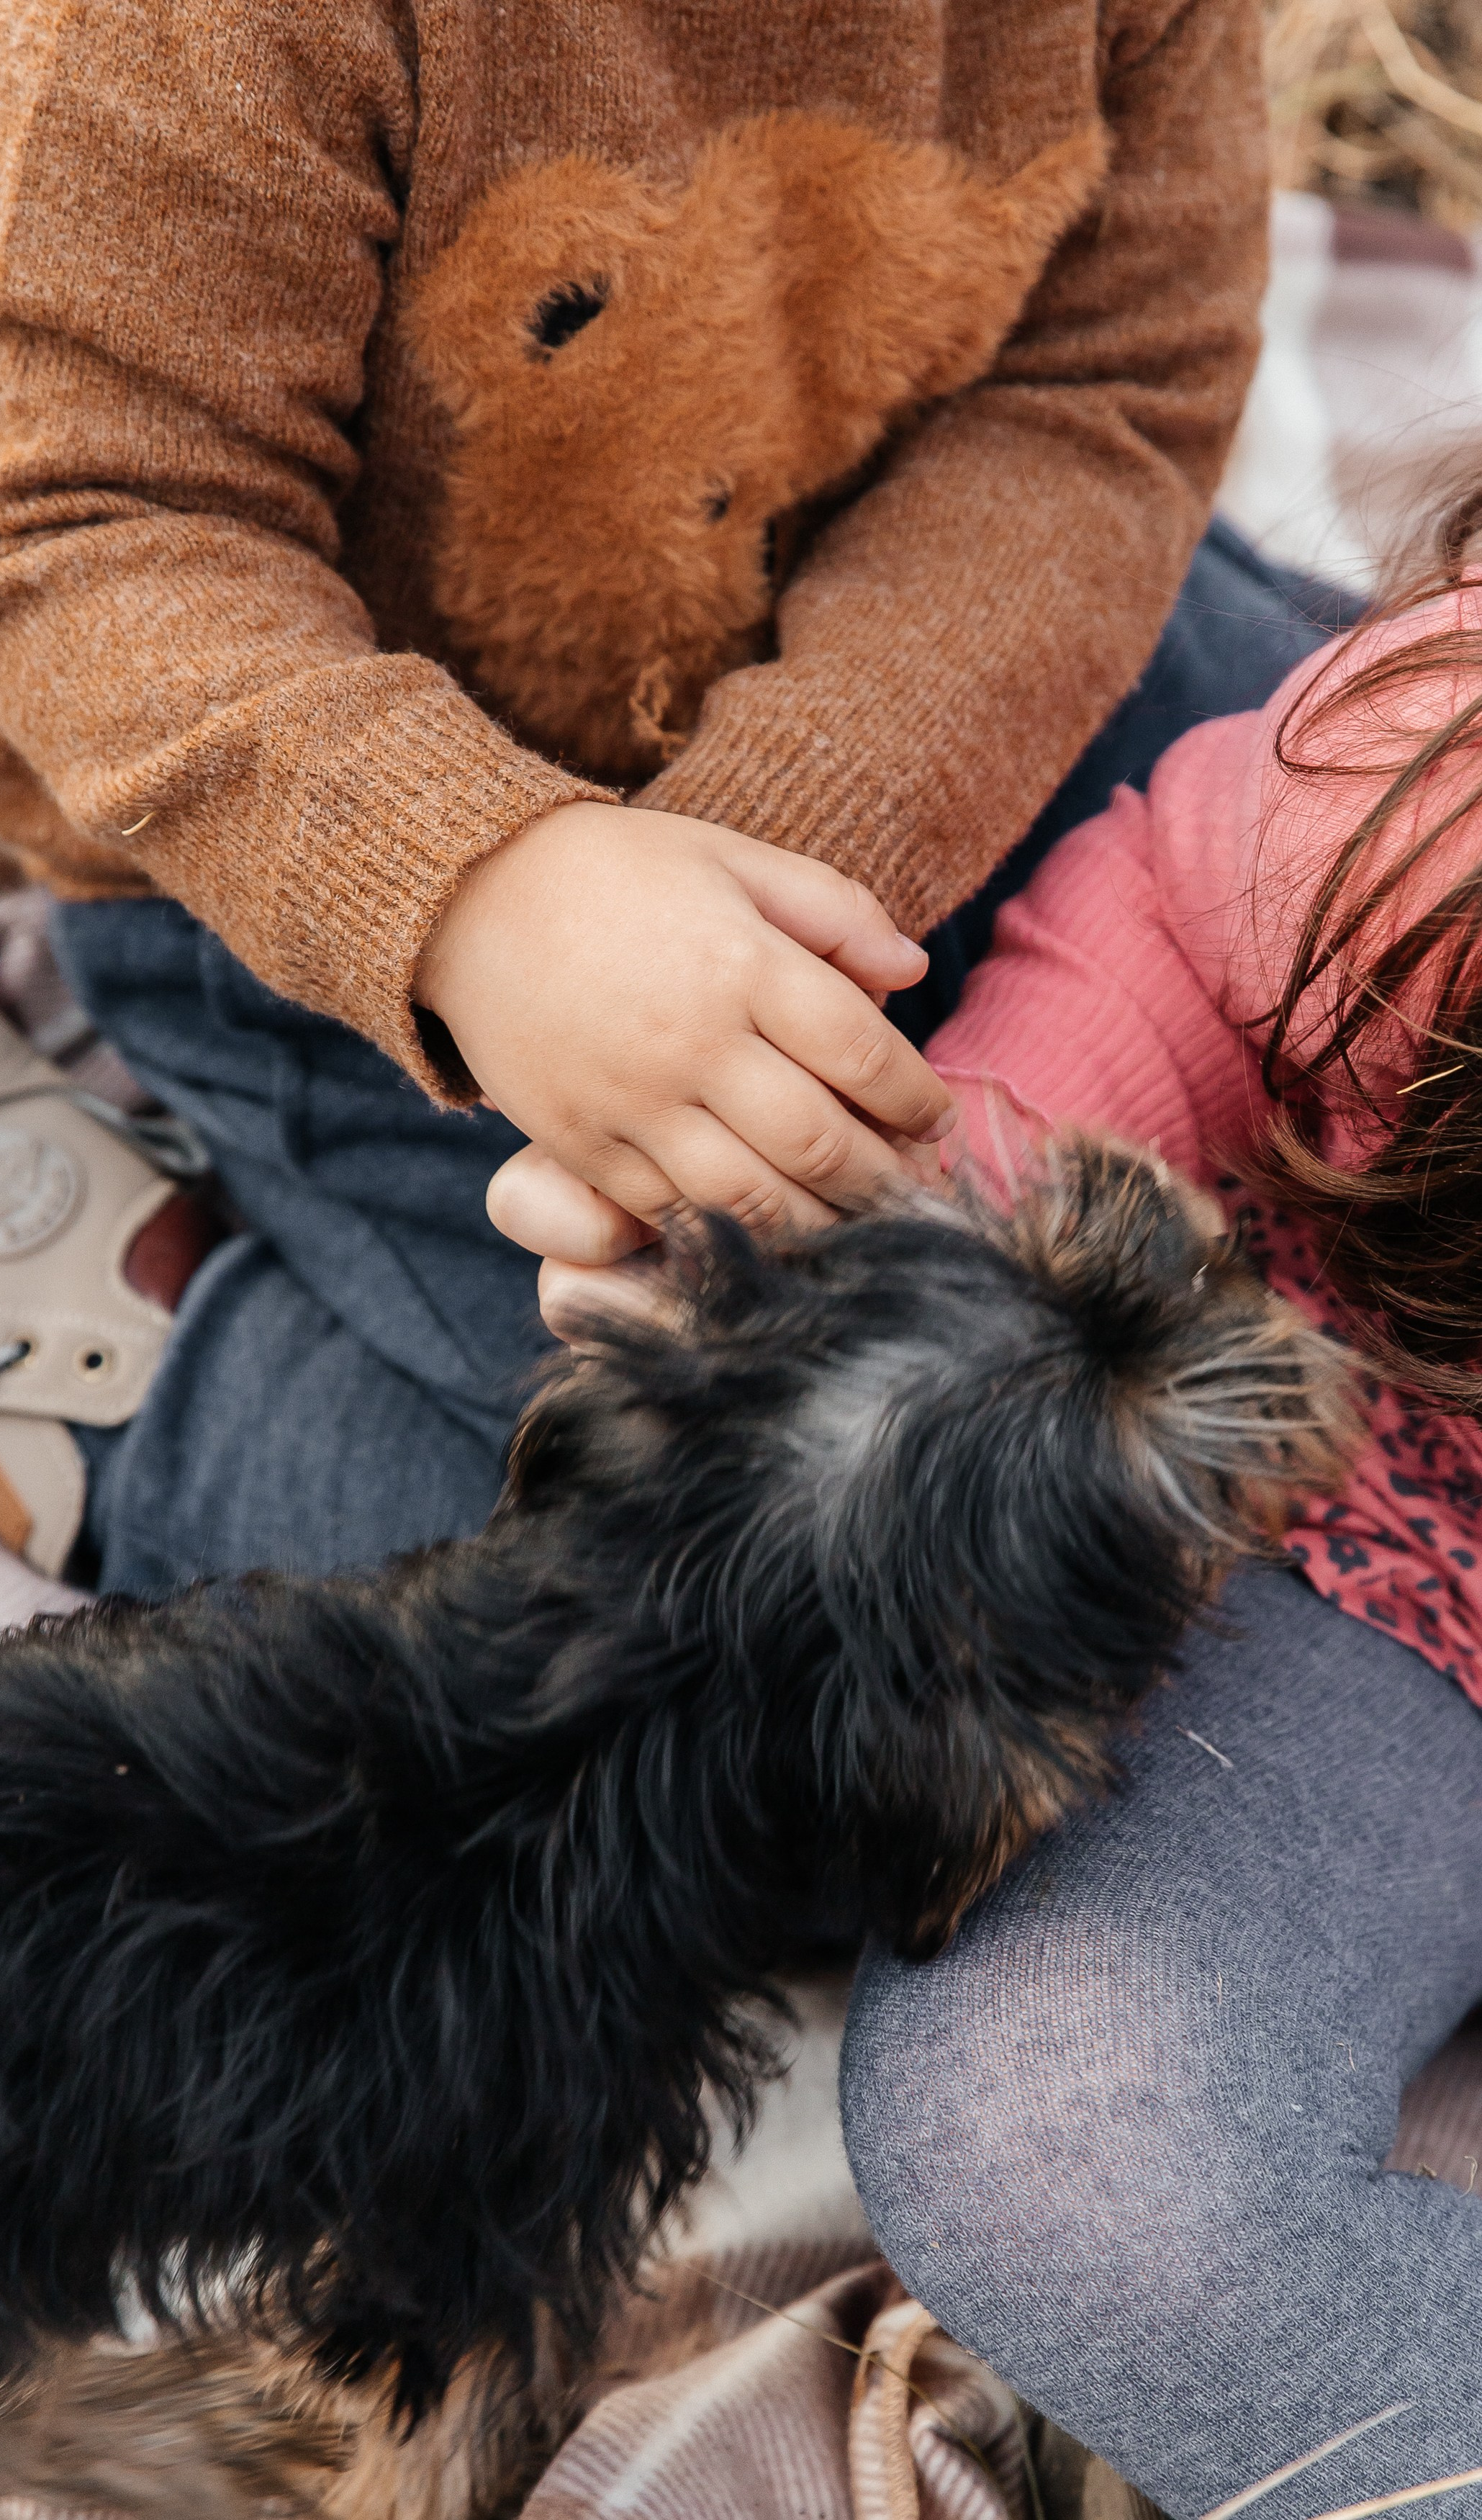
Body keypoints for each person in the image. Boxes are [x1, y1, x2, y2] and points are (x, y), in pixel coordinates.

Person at [0, 0, 1327, 1591]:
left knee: (1368, 888)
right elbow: (94, 525)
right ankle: (125, 1375)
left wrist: (785, 839)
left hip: (934, 650)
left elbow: (1104, 387)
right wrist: (478, 887)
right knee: (743, 1554)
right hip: (296, 841)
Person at [515, 518, 1482, 2512]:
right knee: (1062, 2128)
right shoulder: (1424, 800)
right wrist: (930, 1275)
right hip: (1401, 1547)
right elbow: (1178, 960)